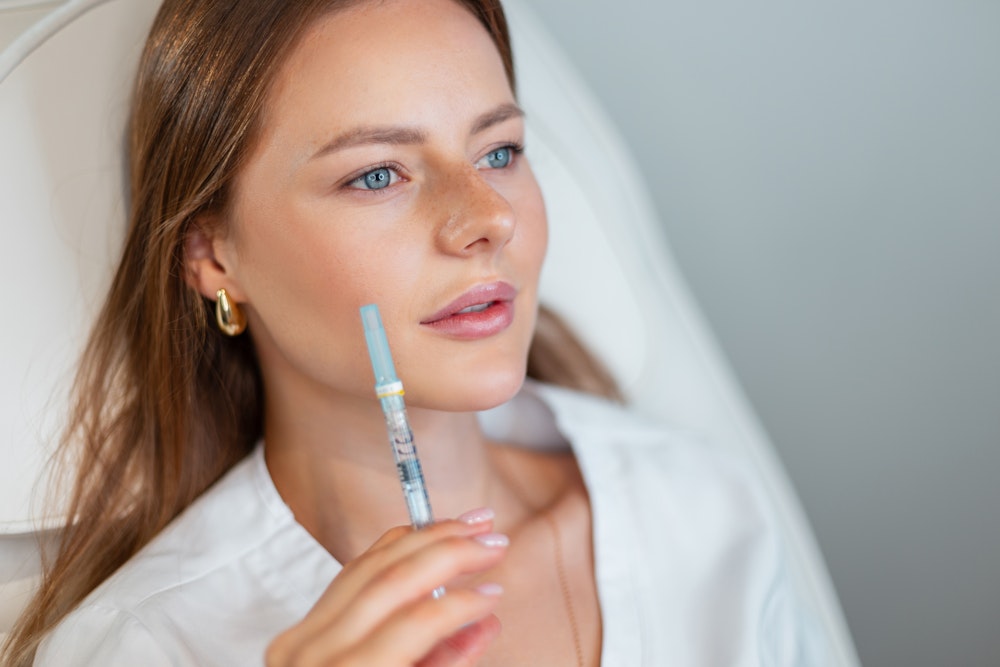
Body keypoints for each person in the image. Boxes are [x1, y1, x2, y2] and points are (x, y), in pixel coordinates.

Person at [2, 0, 829, 665]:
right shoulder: (140, 646)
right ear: (213, 255)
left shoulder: (703, 513)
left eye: (500, 151)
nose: (488, 217)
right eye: (376, 174)